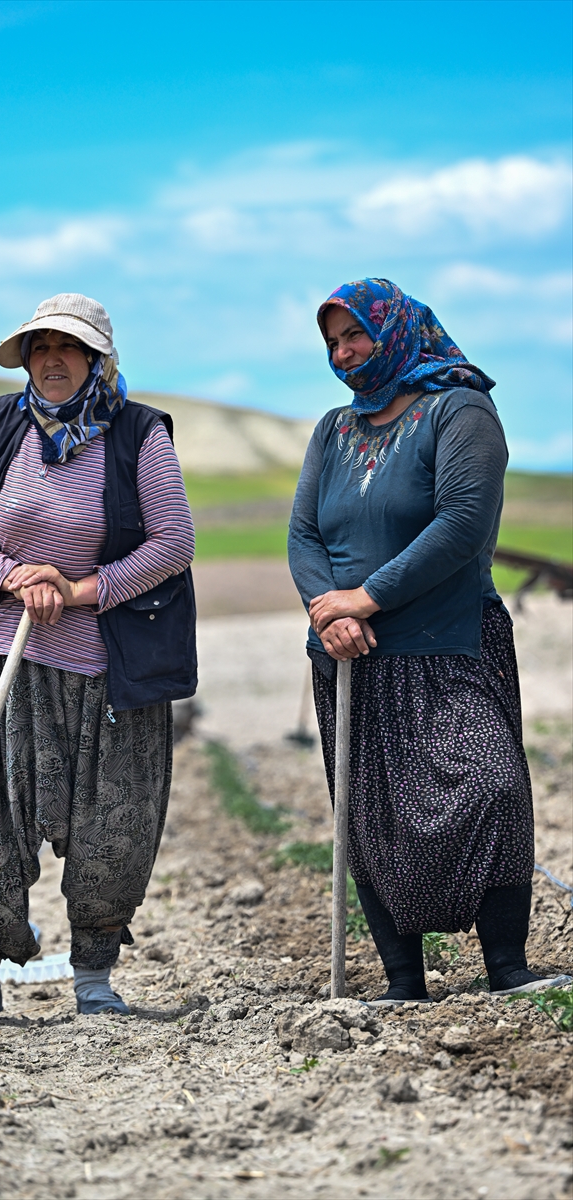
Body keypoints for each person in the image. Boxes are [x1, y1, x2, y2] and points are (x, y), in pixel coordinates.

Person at [288, 277, 570, 1005]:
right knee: (371, 813)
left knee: (493, 788)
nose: (345, 352)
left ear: (398, 331)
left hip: (448, 642)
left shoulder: (461, 409)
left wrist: (368, 596)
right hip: (351, 651)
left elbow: (464, 522)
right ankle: (401, 980)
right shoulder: (333, 429)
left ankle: (507, 965)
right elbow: (304, 533)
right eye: (334, 341)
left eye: (357, 334)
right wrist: (331, 612)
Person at [0, 293, 197, 1015]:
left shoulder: (140, 434)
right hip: (0, 659)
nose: (51, 361)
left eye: (67, 349)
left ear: (97, 361)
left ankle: (96, 986)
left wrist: (76, 591)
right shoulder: (1, 424)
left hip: (107, 671)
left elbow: (172, 545)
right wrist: (12, 576)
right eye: (40, 348)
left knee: (113, 829)